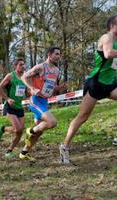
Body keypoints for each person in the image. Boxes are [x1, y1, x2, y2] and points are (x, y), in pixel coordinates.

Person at [60, 15, 117, 163]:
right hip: (96, 83)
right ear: (112, 25)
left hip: (110, 83)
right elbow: (108, 53)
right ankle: (65, 146)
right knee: (82, 117)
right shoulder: (107, 37)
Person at [19, 47, 67, 161]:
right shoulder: (41, 67)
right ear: (49, 55)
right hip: (35, 100)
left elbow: (50, 87)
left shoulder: (56, 70)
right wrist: (32, 88)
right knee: (52, 122)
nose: (58, 56)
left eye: (59, 54)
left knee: (39, 132)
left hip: (44, 101)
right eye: (56, 54)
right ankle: (30, 131)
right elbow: (24, 77)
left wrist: (59, 88)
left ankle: (24, 152)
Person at [0, 58, 27, 158]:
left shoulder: (25, 77)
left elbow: (26, 92)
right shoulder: (10, 76)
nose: (22, 66)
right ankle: (3, 129)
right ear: (15, 66)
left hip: (19, 107)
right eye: (20, 64)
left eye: (23, 65)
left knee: (20, 131)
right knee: (18, 128)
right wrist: (7, 98)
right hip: (9, 106)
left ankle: (9, 150)